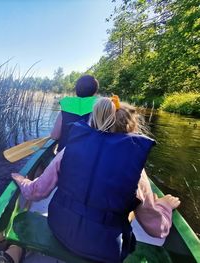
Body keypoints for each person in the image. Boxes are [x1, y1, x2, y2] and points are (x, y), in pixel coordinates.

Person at [11, 96, 180, 262]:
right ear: (131, 127)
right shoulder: (136, 172)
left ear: (94, 121)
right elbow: (157, 230)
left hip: (59, 229)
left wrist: (22, 180)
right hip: (106, 251)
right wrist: (165, 206)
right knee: (128, 211)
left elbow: (36, 192)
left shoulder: (68, 151)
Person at [51, 74, 99, 151]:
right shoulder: (100, 107)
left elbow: (55, 136)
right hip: (88, 155)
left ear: (77, 89)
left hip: (65, 155)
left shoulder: (66, 106)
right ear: (94, 91)